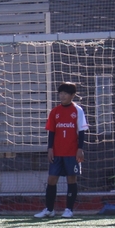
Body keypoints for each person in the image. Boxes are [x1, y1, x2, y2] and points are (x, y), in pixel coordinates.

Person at [34, 82, 89, 219]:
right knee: (52, 179)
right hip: (57, 152)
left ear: (72, 95)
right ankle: (49, 209)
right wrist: (50, 148)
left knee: (71, 179)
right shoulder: (55, 111)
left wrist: (80, 149)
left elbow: (81, 131)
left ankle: (69, 209)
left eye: (65, 93)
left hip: (72, 152)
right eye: (61, 93)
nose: (62, 96)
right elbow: (51, 131)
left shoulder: (78, 110)